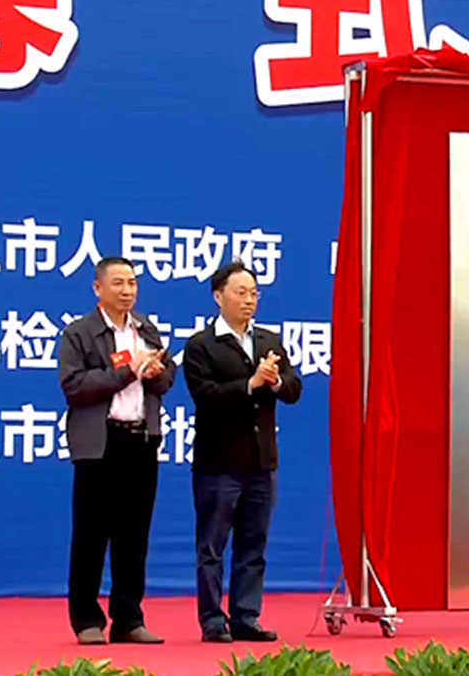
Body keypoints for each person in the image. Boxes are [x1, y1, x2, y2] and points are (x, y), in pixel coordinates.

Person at [58, 256, 175, 645]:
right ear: (98, 288)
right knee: (91, 535)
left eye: (132, 283)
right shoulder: (80, 332)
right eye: (119, 283)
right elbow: (74, 385)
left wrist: (156, 373)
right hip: (100, 444)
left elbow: (167, 379)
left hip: (140, 440)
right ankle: (86, 620)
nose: (127, 291)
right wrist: (128, 371)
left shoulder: (146, 329)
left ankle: (128, 618)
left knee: (134, 536)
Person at [183, 261, 302, 643]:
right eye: (241, 292)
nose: (249, 300)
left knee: (254, 545)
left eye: (254, 293)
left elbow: (294, 389)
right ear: (219, 296)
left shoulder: (269, 341)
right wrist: (250, 384)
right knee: (212, 547)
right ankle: (212, 620)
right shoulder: (201, 345)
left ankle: (246, 617)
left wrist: (275, 380)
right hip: (218, 463)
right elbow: (206, 396)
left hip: (261, 461)